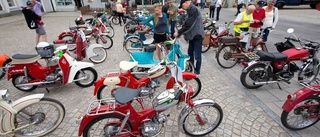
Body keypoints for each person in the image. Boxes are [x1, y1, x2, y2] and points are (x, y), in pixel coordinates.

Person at [174, 0, 204, 75]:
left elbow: (189, 24)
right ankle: (191, 67)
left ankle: (197, 70)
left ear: (187, 2)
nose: (183, 8)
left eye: (183, 6)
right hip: (192, 36)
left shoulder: (194, 9)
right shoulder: (189, 10)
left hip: (197, 36)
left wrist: (179, 32)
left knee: (197, 55)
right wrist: (181, 32)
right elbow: (186, 23)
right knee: (190, 53)